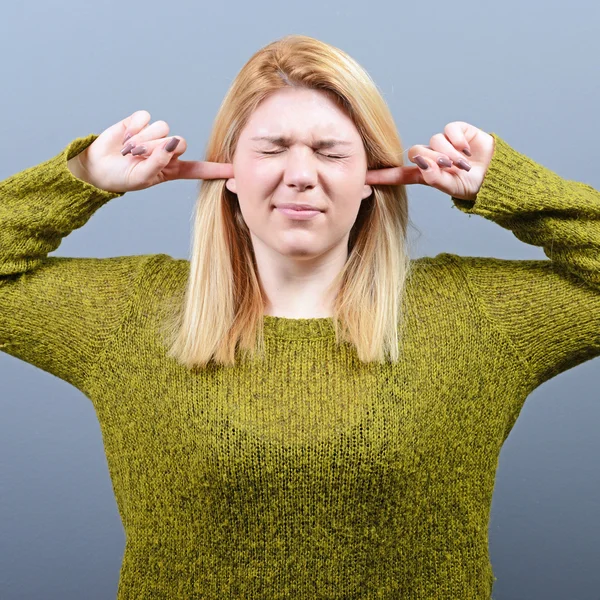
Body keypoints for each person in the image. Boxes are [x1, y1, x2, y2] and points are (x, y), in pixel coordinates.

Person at [1, 33, 598, 599]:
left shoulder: (472, 316)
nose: (301, 174)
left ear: (372, 178)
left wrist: (508, 186)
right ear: (228, 171)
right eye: (273, 148)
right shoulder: (132, 312)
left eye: (331, 152)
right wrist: (81, 178)